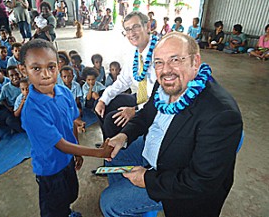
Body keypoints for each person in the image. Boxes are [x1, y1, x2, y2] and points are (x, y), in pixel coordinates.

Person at [100, 32, 243, 217]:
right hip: (156, 149)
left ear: (195, 62)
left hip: (179, 181)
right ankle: (130, 201)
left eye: (175, 60)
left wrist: (147, 180)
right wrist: (123, 136)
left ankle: (126, 202)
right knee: (117, 154)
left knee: (109, 202)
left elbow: (201, 181)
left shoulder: (221, 115)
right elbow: (146, 114)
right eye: (159, 62)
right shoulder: (165, 85)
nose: (166, 70)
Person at [19, 39, 113, 217]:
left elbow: (71, 124)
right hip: (50, 169)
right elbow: (60, 144)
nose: (46, 74)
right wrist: (99, 153)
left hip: (67, 160)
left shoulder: (64, 93)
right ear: (24, 70)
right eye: (36, 68)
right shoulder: (32, 111)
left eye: (51, 67)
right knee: (53, 207)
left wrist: (76, 151)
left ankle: (67, 212)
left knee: (70, 194)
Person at [95, 11, 157, 140]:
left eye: (136, 27)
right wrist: (103, 99)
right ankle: (108, 143)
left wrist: (135, 110)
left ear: (148, 26)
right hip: (141, 97)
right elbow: (122, 81)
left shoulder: (160, 54)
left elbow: (164, 96)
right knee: (102, 104)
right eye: (127, 30)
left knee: (112, 121)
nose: (131, 34)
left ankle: (116, 148)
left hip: (156, 104)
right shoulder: (133, 54)